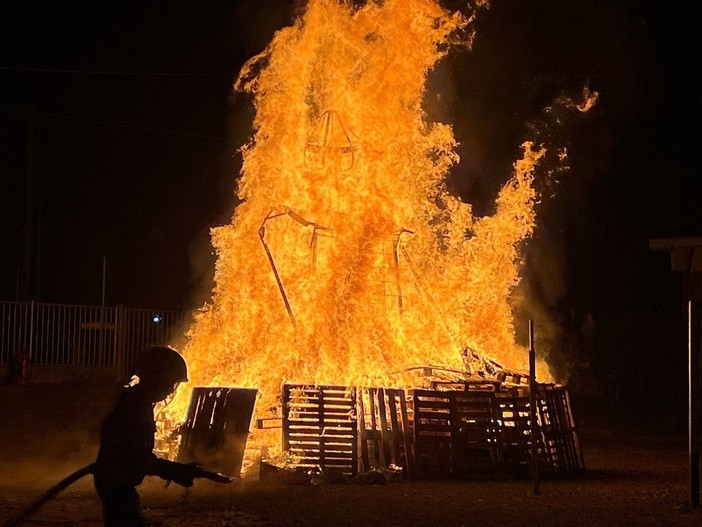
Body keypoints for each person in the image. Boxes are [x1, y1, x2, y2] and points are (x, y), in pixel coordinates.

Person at [93, 345, 211, 526]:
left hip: (116, 482)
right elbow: (137, 459)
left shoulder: (137, 403)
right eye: (170, 383)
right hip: (116, 483)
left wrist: (176, 470)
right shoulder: (134, 407)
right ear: (157, 378)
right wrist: (175, 471)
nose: (171, 391)